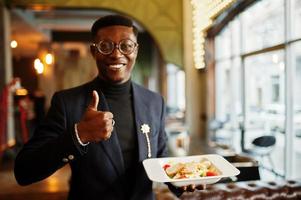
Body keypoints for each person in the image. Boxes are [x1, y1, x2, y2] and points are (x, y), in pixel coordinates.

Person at [14, 15, 194, 200]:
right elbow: (24, 171)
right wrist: (79, 135)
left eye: (126, 45)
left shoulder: (154, 101)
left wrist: (181, 181)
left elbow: (160, 157)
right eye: (106, 46)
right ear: (94, 51)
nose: (116, 54)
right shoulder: (68, 103)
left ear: (136, 50)